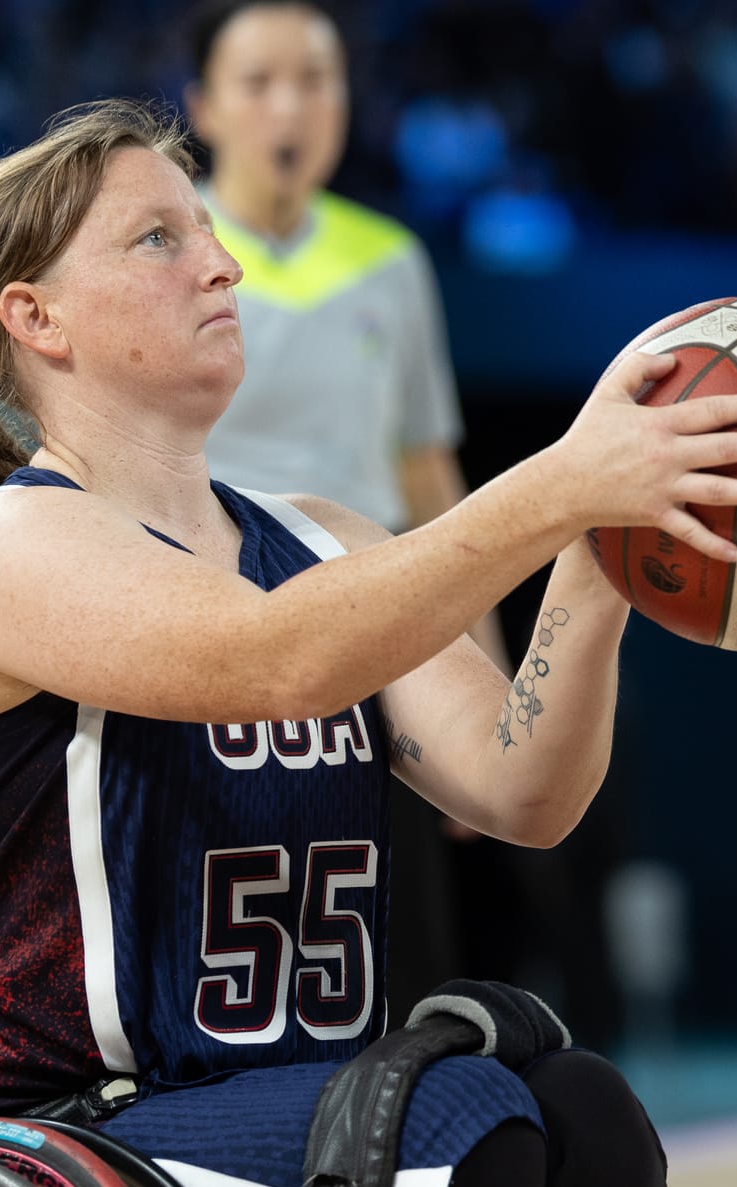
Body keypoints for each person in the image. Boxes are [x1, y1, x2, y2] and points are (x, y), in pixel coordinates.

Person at [0, 99, 737, 1187]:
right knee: (459, 1129)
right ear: (35, 317)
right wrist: (556, 480)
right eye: (157, 239)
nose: (219, 262)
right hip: (78, 1139)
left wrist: (600, 553)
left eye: (206, 230)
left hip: (313, 1113)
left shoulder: (322, 539)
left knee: (587, 1113)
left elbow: (523, 788)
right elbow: (277, 658)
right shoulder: (9, 542)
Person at [182, 0, 506, 1019]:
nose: (290, 106)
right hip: (207, 635)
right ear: (203, 106)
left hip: (377, 633)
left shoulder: (390, 262)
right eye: (258, 81)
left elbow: (429, 481)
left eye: (315, 79)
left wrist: (485, 676)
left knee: (398, 964)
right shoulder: (164, 253)